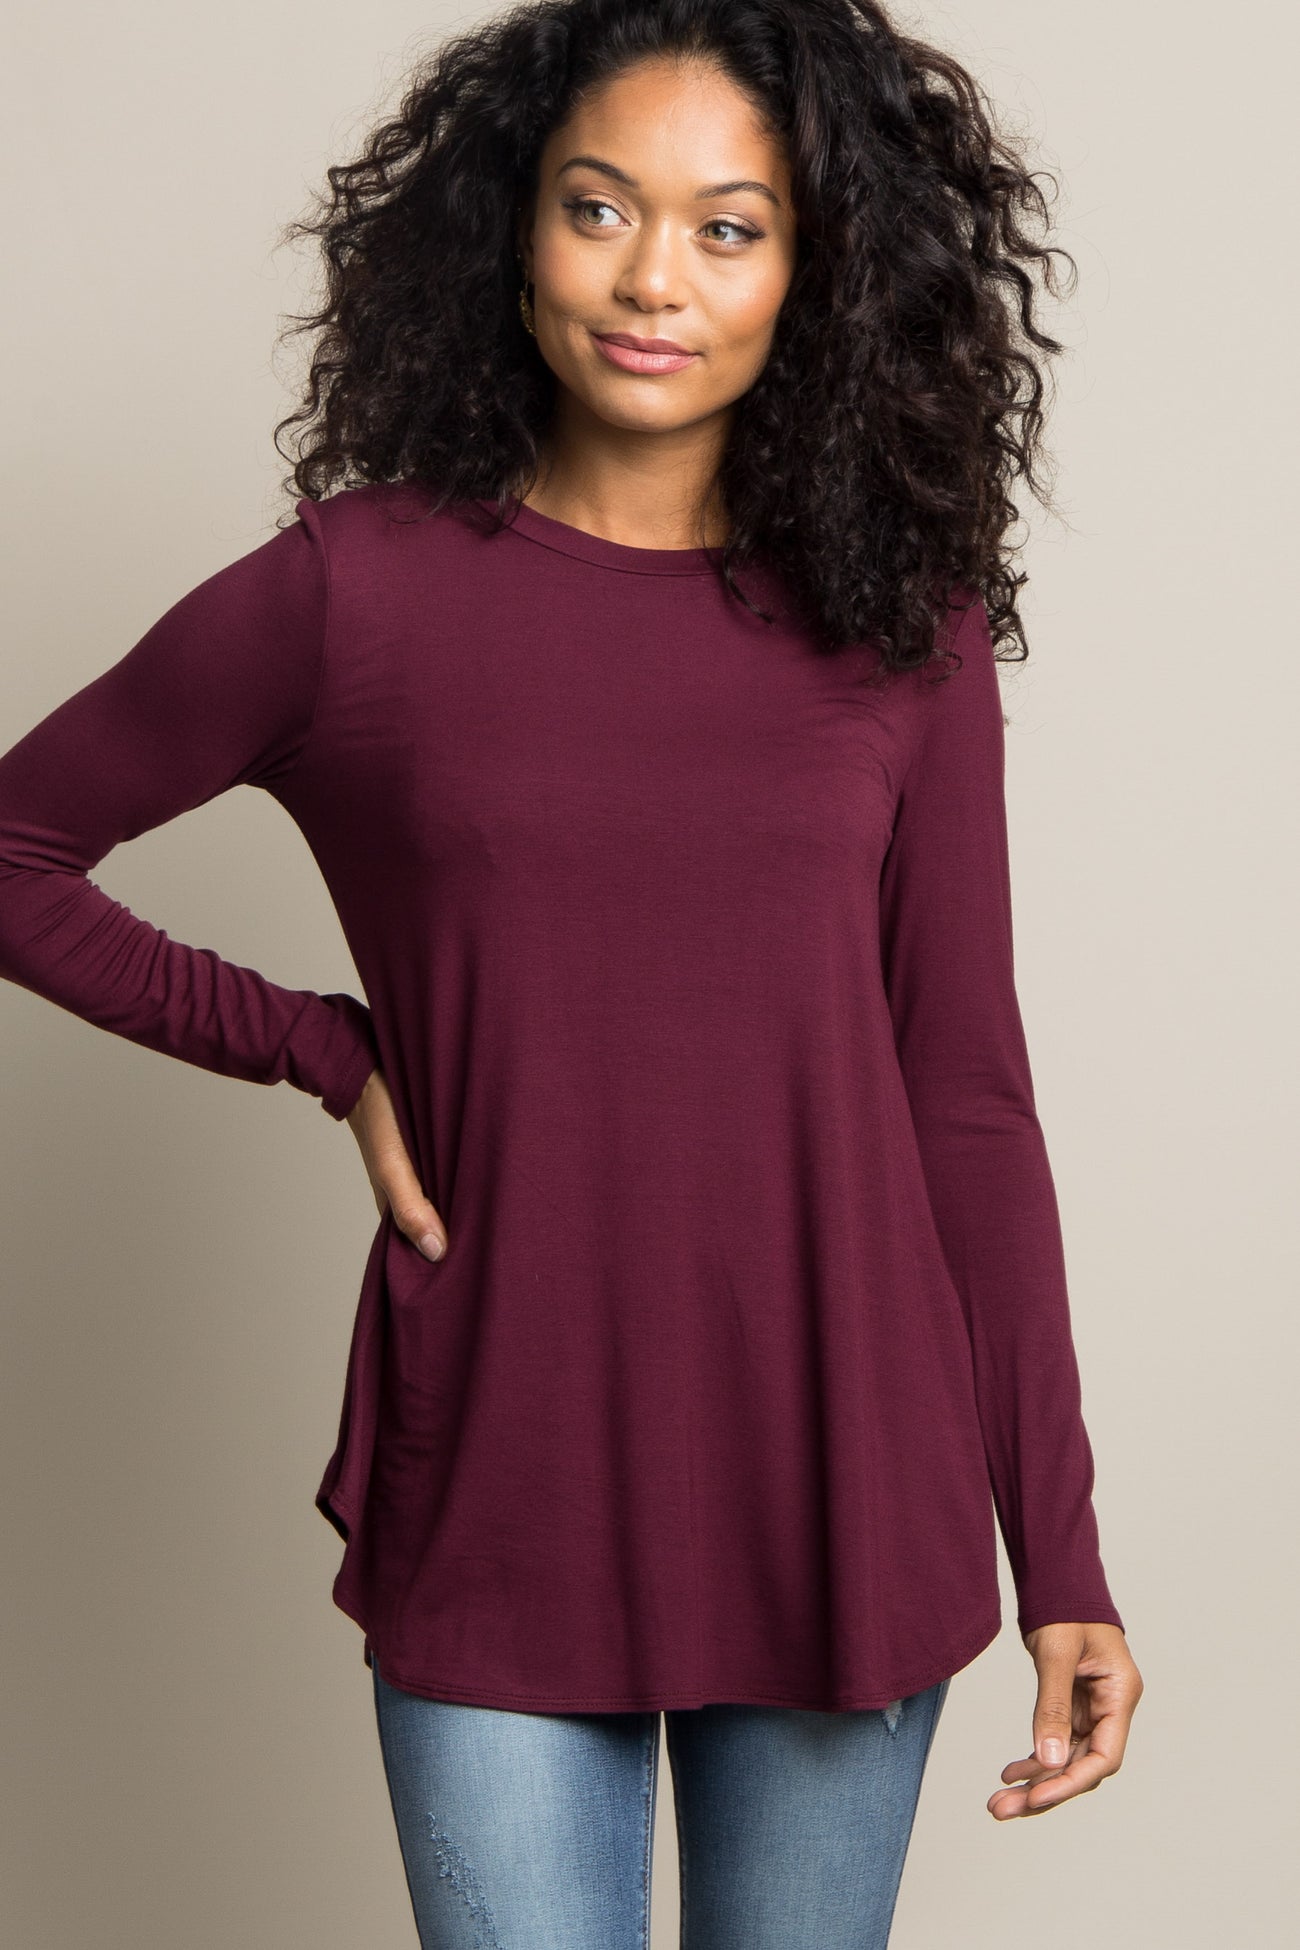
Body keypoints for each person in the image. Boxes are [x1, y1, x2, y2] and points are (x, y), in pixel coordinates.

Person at [0, 0, 1144, 1942]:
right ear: (508, 226)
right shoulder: (355, 591)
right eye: (598, 207)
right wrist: (322, 1050)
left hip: (840, 1463)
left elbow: (963, 1094)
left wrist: (1063, 1552)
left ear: (818, 268)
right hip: (505, 1457)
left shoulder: (902, 622)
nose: (650, 279)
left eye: (728, 227)